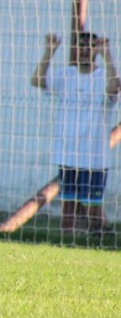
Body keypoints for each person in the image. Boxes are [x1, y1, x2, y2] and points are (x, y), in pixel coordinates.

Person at [30, 32, 119, 236]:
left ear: (96, 49)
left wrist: (107, 55)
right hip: (67, 153)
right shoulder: (66, 75)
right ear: (75, 49)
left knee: (92, 209)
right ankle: (68, 245)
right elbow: (37, 81)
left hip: (94, 156)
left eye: (90, 46)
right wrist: (49, 52)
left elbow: (115, 89)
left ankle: (103, 236)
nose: (85, 50)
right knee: (68, 209)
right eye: (81, 46)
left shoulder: (104, 75)